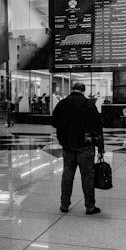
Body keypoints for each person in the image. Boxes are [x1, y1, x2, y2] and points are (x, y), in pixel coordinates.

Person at [52, 82, 104, 215]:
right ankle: (90, 206)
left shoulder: (63, 103)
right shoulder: (89, 104)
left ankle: (64, 204)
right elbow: (97, 126)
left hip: (68, 145)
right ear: (84, 91)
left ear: (72, 89)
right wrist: (100, 147)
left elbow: (54, 122)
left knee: (67, 174)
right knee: (87, 176)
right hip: (86, 146)